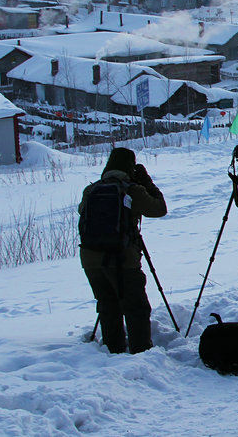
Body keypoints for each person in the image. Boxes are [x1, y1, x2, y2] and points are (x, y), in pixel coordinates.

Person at [79, 147, 167, 354]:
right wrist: (146, 183)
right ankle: (141, 350)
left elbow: (82, 211)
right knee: (136, 306)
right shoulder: (131, 189)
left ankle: (113, 349)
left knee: (108, 305)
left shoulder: (91, 190)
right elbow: (159, 208)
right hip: (123, 258)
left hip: (91, 259)